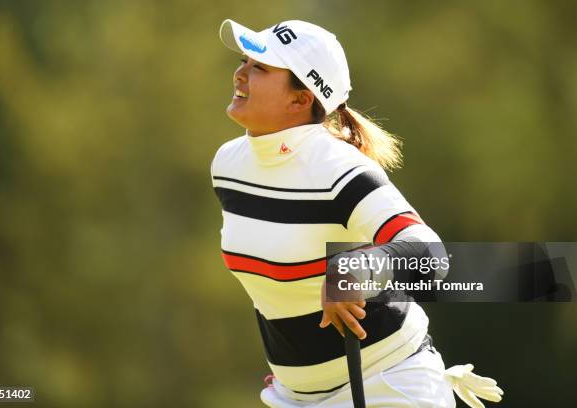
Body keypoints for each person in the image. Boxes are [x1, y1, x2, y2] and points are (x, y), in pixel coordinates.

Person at [211, 19, 503, 407]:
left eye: (259, 68)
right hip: (295, 397)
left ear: (300, 100)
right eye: (245, 61)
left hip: (387, 388)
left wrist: (358, 269)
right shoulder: (228, 165)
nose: (240, 73)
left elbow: (431, 254)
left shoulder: (337, 168)